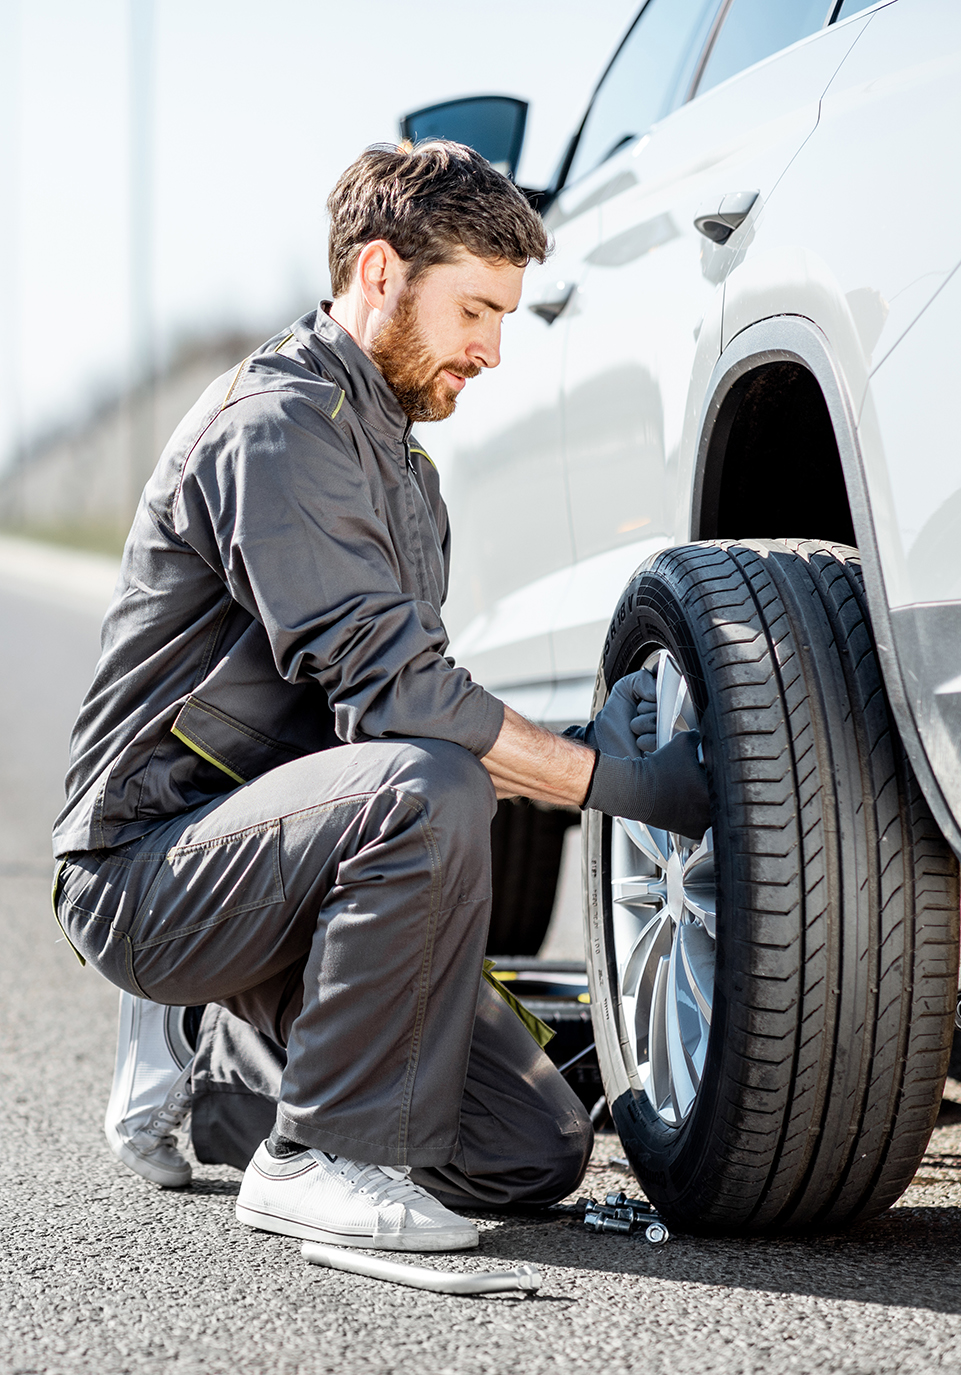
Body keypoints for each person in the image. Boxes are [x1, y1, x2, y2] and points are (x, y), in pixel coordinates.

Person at [53, 141, 709, 1253]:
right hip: (146, 863)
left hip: (279, 858)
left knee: (529, 1150)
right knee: (425, 786)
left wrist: (559, 748)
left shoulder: (407, 473)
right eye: (475, 310)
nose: (494, 349)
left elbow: (391, 708)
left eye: (505, 317)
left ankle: (226, 1071)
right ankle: (316, 1158)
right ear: (377, 274)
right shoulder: (279, 427)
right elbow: (404, 712)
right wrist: (609, 780)